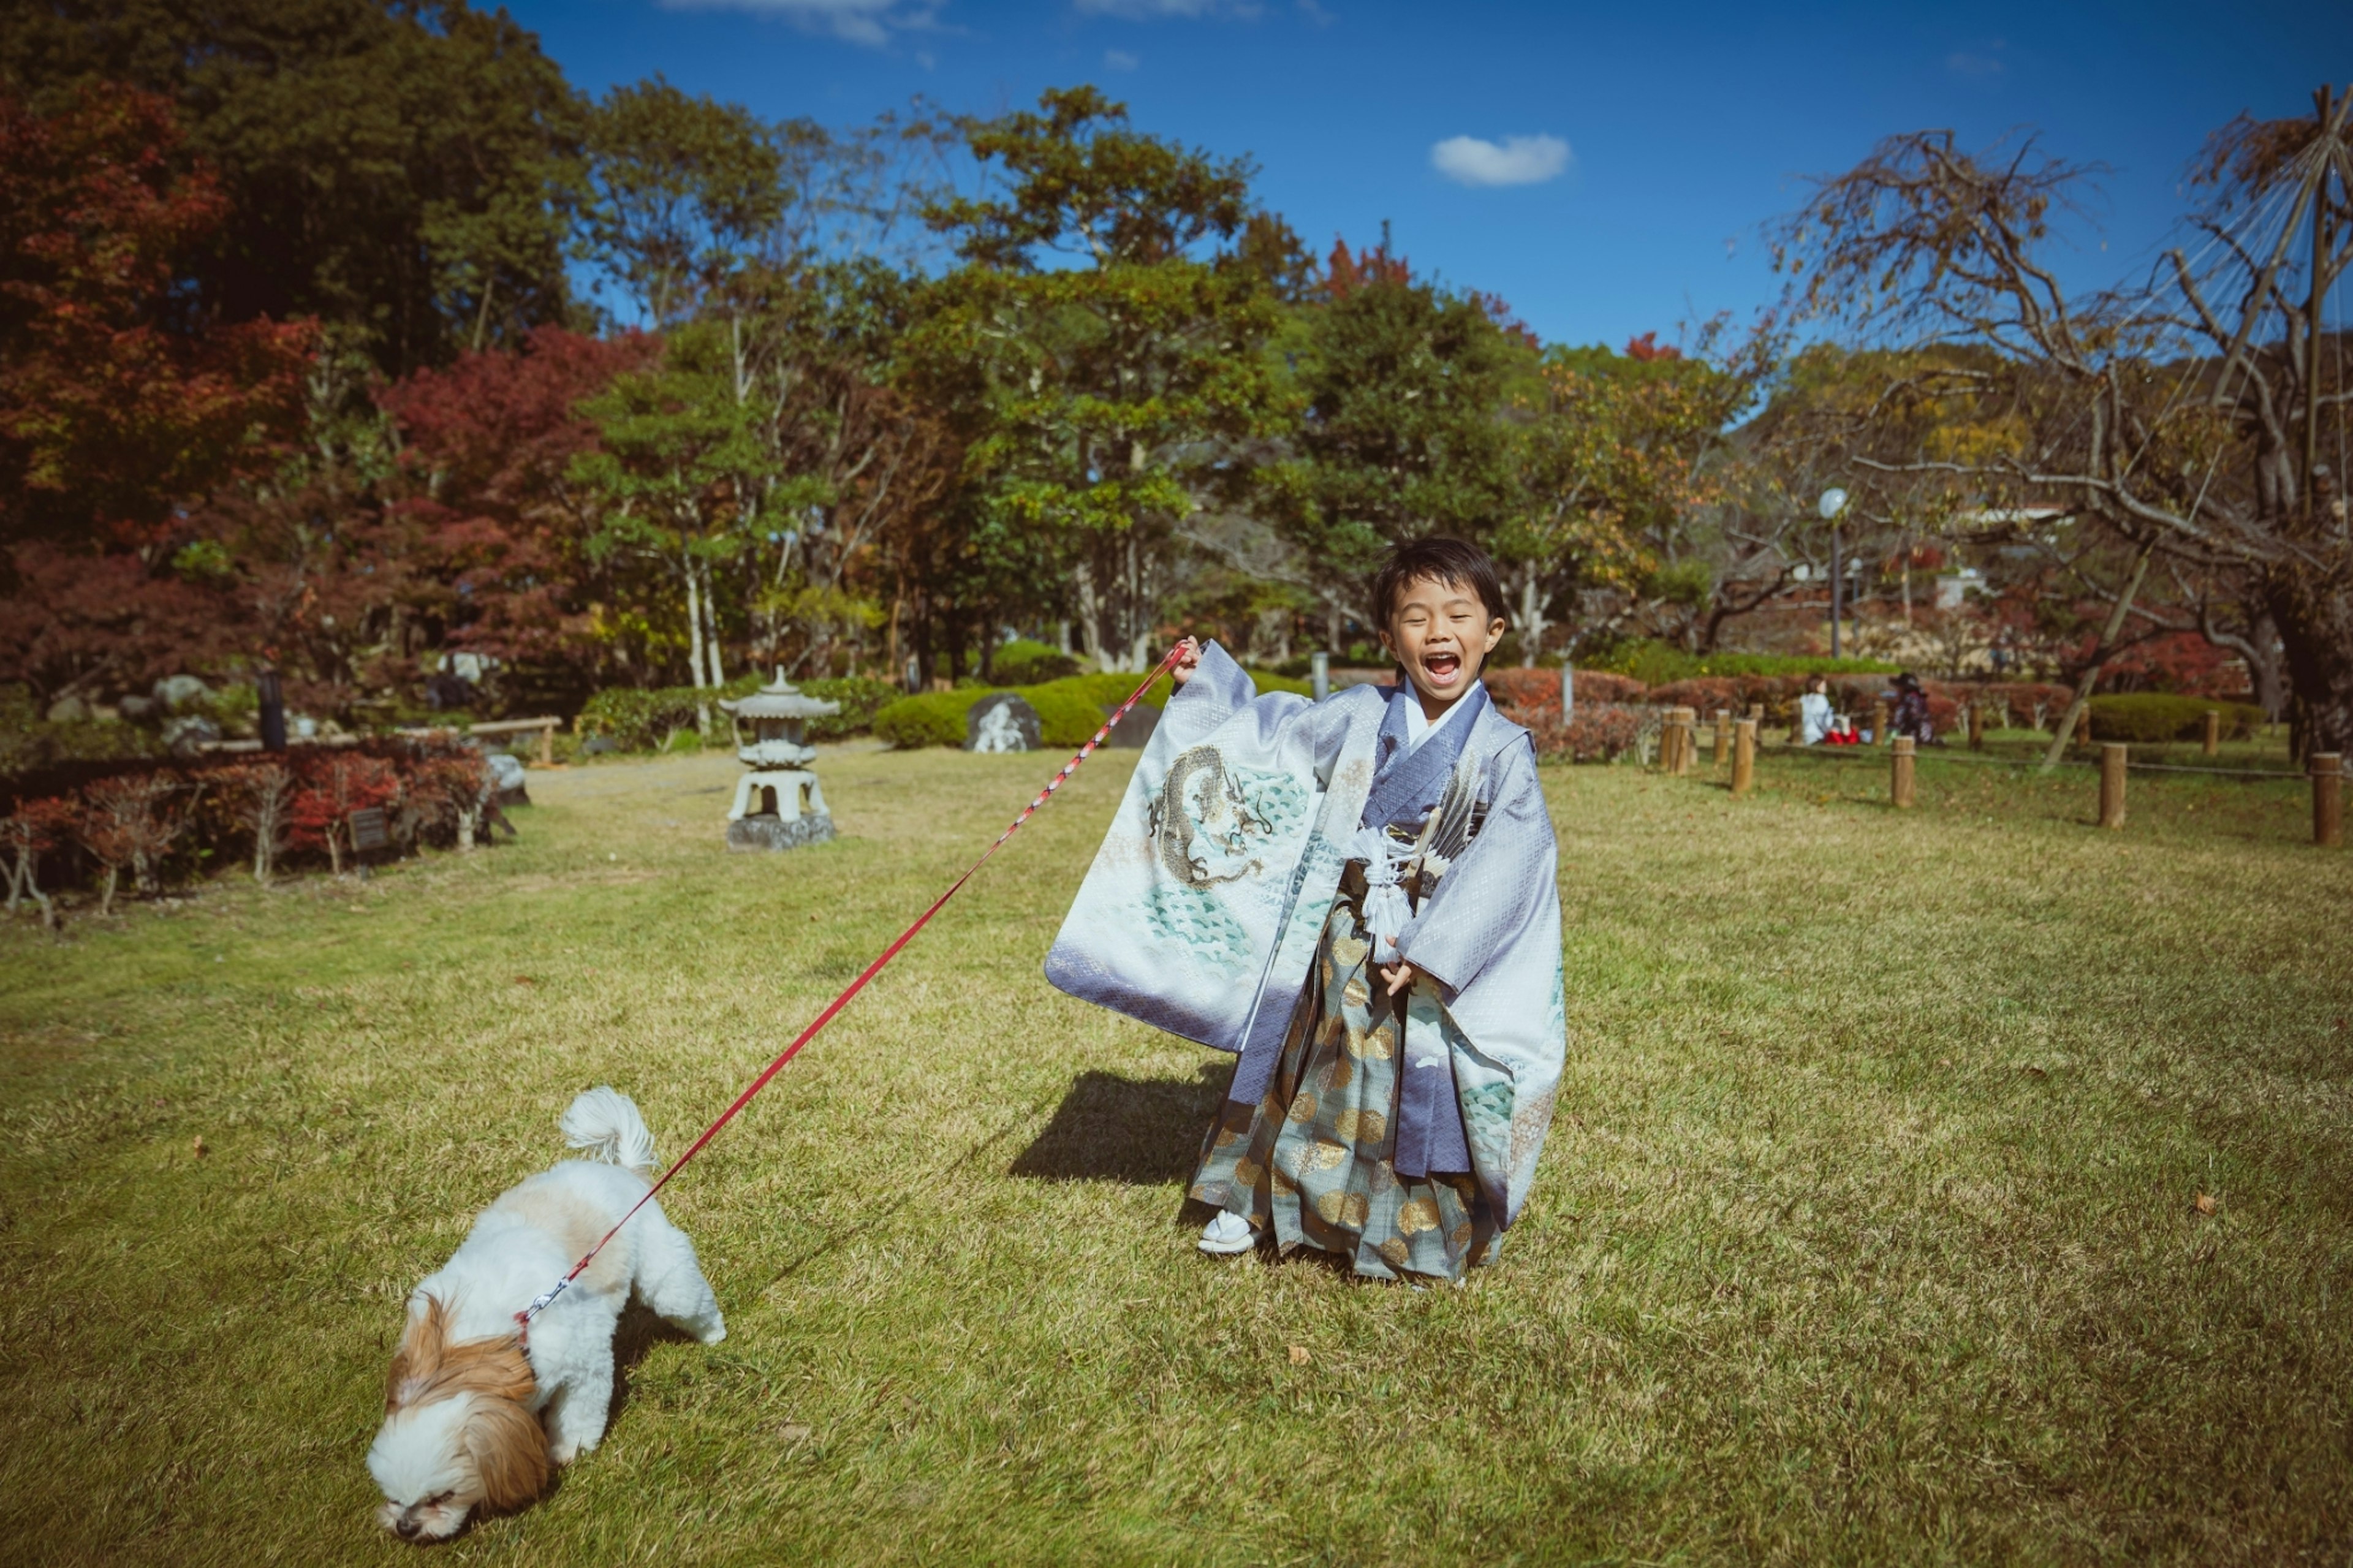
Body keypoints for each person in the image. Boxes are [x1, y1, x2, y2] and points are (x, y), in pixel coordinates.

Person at [1045, 537, 1566, 1284]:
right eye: (1416, 618)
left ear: (1495, 632)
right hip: (1334, 933)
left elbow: (1513, 858)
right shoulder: (1360, 714)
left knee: (1402, 1092)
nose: (1439, 633)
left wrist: (1434, 952)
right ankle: (1251, 1198)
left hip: (1418, 956)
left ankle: (1388, 1230)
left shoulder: (1503, 750)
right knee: (1296, 1063)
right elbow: (1268, 738)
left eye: (1460, 615)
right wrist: (1207, 684)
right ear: (1390, 637)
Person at [1892, 672, 1936, 744]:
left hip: (1913, 735)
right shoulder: (1919, 697)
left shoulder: (1907, 699)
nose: (1897, 690)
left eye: (1899, 687)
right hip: (1927, 733)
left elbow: (1897, 720)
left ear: (1904, 688)